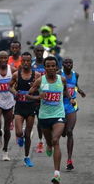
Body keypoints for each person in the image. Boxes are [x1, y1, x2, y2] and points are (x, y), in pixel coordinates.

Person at [27, 56, 73, 184]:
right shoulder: (40, 81)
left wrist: (70, 99)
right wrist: (38, 97)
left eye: (53, 66)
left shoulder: (61, 79)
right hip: (44, 116)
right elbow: (28, 94)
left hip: (58, 114)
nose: (51, 68)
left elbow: (65, 92)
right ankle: (48, 144)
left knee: (55, 140)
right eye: (48, 66)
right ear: (45, 68)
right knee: (50, 141)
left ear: (57, 67)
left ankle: (56, 174)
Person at [9, 52, 41, 167]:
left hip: (31, 106)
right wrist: (14, 92)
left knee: (27, 135)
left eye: (28, 61)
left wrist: (35, 91)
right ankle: (20, 136)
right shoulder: (16, 74)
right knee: (18, 132)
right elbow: (9, 86)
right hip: (19, 106)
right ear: (21, 62)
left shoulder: (37, 75)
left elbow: (41, 89)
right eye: (24, 61)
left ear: (31, 62)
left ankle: (26, 157)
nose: (26, 63)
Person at [0, 51, 16, 161]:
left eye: (6, 58)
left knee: (7, 128)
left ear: (8, 59)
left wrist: (16, 92)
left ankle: (5, 151)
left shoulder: (13, 70)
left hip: (9, 101)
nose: (4, 60)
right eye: (1, 58)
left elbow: (18, 82)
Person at [61, 57, 86, 171]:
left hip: (71, 105)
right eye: (66, 63)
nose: (68, 64)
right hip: (59, 106)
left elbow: (75, 85)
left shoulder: (76, 74)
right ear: (62, 64)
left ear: (72, 64)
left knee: (70, 132)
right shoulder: (58, 74)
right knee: (62, 133)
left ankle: (69, 160)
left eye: (70, 62)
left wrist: (79, 91)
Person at [32, 45, 46, 153]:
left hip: (47, 97)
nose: (40, 53)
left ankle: (48, 140)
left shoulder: (48, 63)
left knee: (46, 121)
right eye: (38, 51)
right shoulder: (31, 64)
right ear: (34, 52)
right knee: (39, 121)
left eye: (41, 51)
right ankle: (41, 141)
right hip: (35, 97)